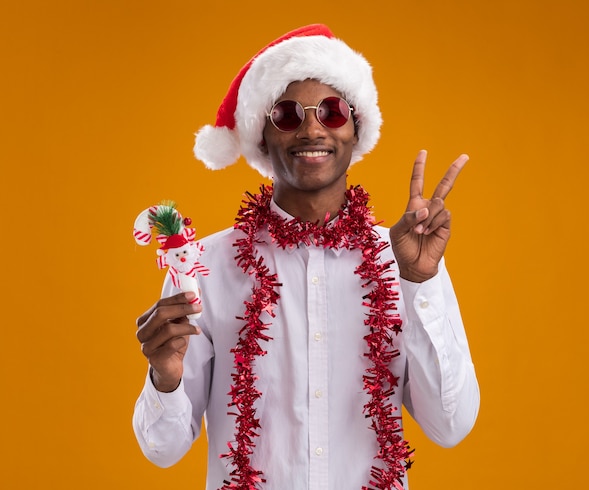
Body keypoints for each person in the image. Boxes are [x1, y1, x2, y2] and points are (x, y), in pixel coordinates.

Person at [133, 24, 480, 490]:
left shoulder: (403, 258)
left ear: (357, 131)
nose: (312, 128)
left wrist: (420, 281)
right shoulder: (204, 267)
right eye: (287, 114)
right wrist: (165, 376)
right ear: (261, 136)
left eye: (333, 112)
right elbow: (163, 449)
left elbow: (450, 425)